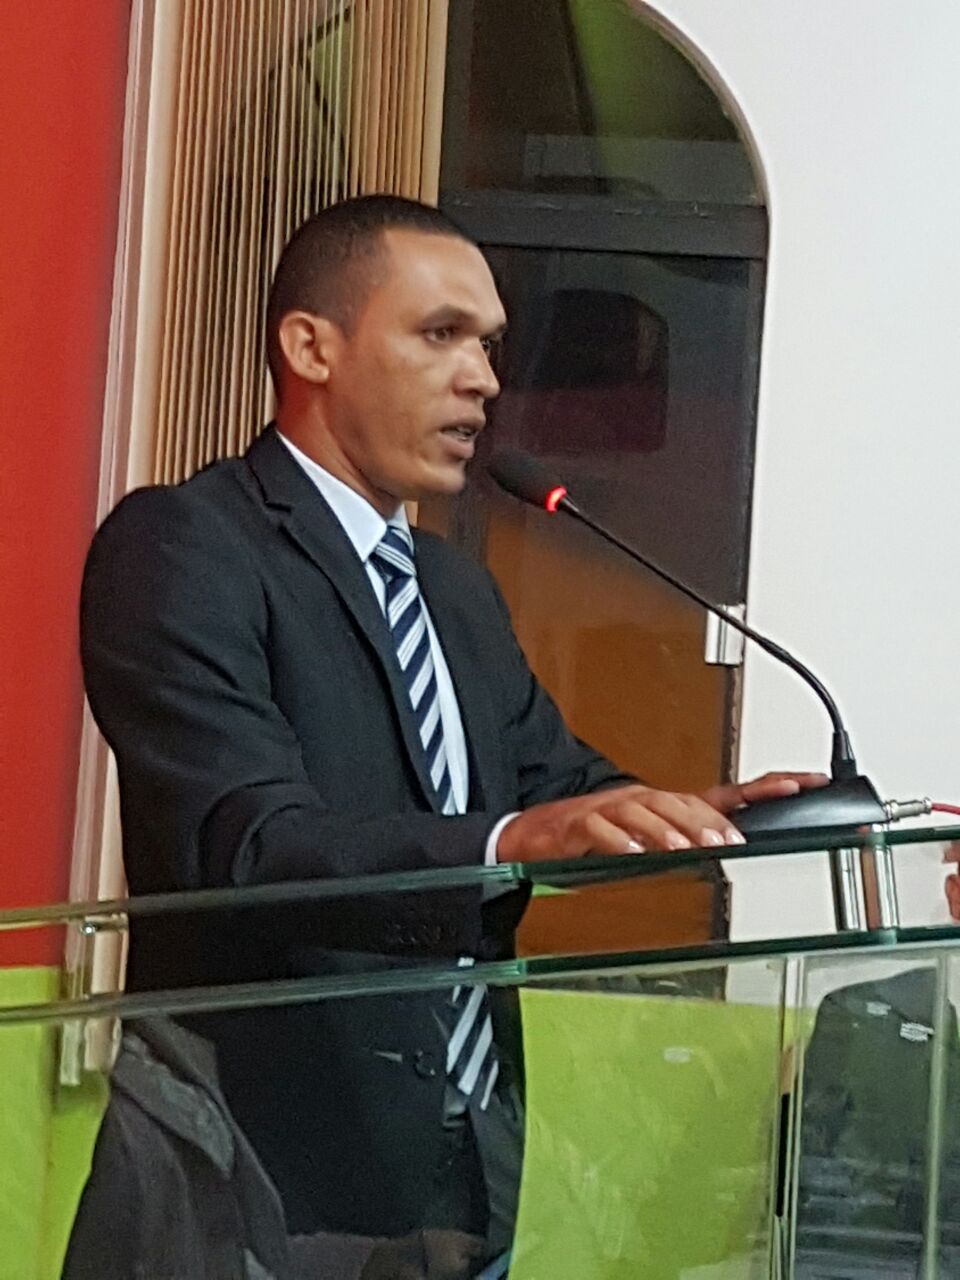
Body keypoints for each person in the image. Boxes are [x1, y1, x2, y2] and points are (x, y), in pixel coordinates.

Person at [80, 194, 823, 1276]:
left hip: (466, 1171)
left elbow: (551, 784)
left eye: (490, 346)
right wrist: (510, 842)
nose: (482, 378)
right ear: (311, 347)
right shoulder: (187, 545)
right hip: (258, 1184)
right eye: (441, 335)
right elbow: (247, 845)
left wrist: (694, 812)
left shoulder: (454, 588)